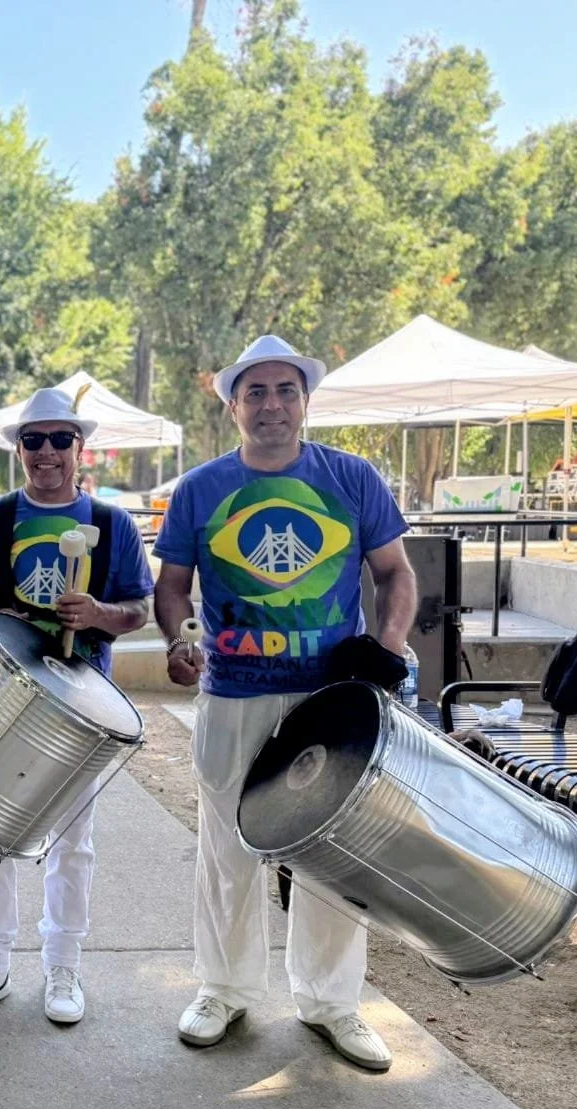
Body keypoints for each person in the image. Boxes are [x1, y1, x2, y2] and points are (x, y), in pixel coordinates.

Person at [153, 335, 417, 1071]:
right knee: (227, 845)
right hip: (234, 694)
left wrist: (387, 645)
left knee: (333, 851)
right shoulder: (200, 489)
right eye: (256, 392)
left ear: (305, 401)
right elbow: (172, 585)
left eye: (286, 391)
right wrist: (179, 637)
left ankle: (331, 1001)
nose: (272, 405)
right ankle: (224, 988)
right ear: (233, 405)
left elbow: (395, 573)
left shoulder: (353, 478)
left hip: (332, 698)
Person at [0, 387, 152, 1025]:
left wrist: (98, 614)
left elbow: (138, 610)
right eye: (34, 441)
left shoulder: (112, 525)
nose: (47, 452)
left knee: (73, 841)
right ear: (19, 450)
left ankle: (64, 966)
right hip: (3, 699)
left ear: (79, 448)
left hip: (82, 704)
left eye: (61, 439)